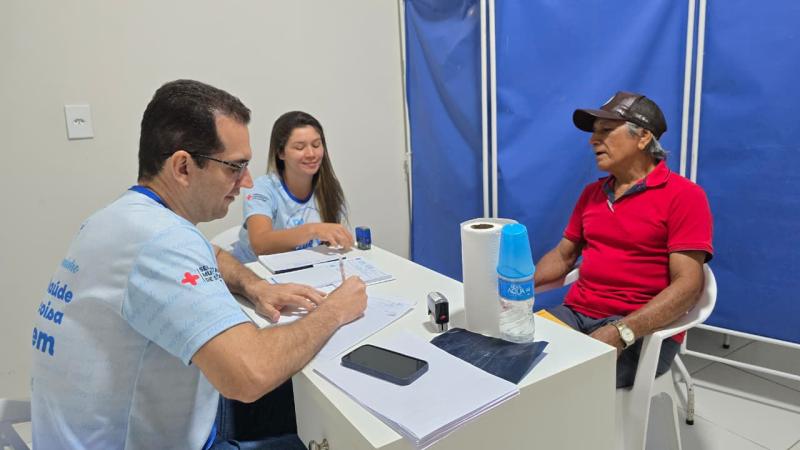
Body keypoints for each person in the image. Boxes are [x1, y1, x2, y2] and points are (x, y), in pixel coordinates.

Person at [30, 79, 368, 449]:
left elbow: (212, 254)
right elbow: (250, 374)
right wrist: (334, 311)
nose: (246, 182)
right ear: (183, 167)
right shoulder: (163, 240)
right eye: (235, 167)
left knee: (292, 401)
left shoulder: (122, 219)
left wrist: (255, 287)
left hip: (94, 431)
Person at [534, 91, 713, 388]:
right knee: (511, 356)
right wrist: (517, 287)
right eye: (594, 133)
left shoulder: (685, 197)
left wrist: (622, 331)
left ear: (643, 137)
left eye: (606, 130)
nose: (593, 141)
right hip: (575, 315)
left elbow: (688, 286)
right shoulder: (592, 194)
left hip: (642, 329)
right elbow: (563, 256)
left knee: (558, 384)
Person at [231, 111, 353, 263]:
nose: (311, 154)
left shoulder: (327, 186)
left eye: (316, 145)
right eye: (300, 147)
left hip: (301, 267)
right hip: (253, 269)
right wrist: (313, 230)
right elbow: (260, 244)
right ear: (281, 153)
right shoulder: (262, 188)